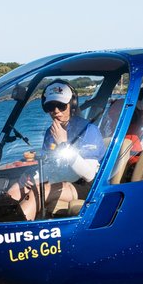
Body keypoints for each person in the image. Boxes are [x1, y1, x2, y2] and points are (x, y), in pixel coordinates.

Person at [36, 80, 106, 216]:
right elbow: (49, 165)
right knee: (17, 189)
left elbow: (89, 175)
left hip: (88, 186)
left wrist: (63, 144)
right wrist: (30, 178)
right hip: (63, 179)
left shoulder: (88, 130)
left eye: (61, 106)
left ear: (72, 104)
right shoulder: (50, 133)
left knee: (37, 193)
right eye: (51, 106)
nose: (56, 111)